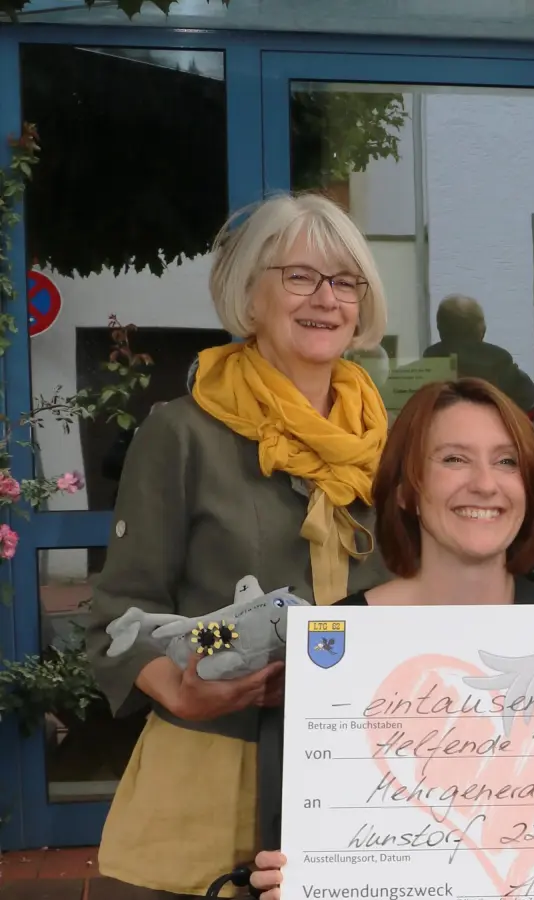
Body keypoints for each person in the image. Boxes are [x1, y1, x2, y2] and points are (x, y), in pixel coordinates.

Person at [82, 191, 393, 898]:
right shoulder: (182, 433)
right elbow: (120, 617)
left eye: (345, 282)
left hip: (357, 772)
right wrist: (186, 697)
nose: (326, 298)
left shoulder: (389, 442)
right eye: (300, 277)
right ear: (251, 294)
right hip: (216, 770)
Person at [246, 376, 534, 900]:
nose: (486, 484)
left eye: (507, 461)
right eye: (453, 459)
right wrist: (289, 876)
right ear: (406, 488)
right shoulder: (332, 647)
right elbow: (299, 824)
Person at [421, 293, 534, 414]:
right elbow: (531, 407)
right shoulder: (501, 363)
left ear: (440, 328)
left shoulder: (427, 364)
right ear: (480, 329)